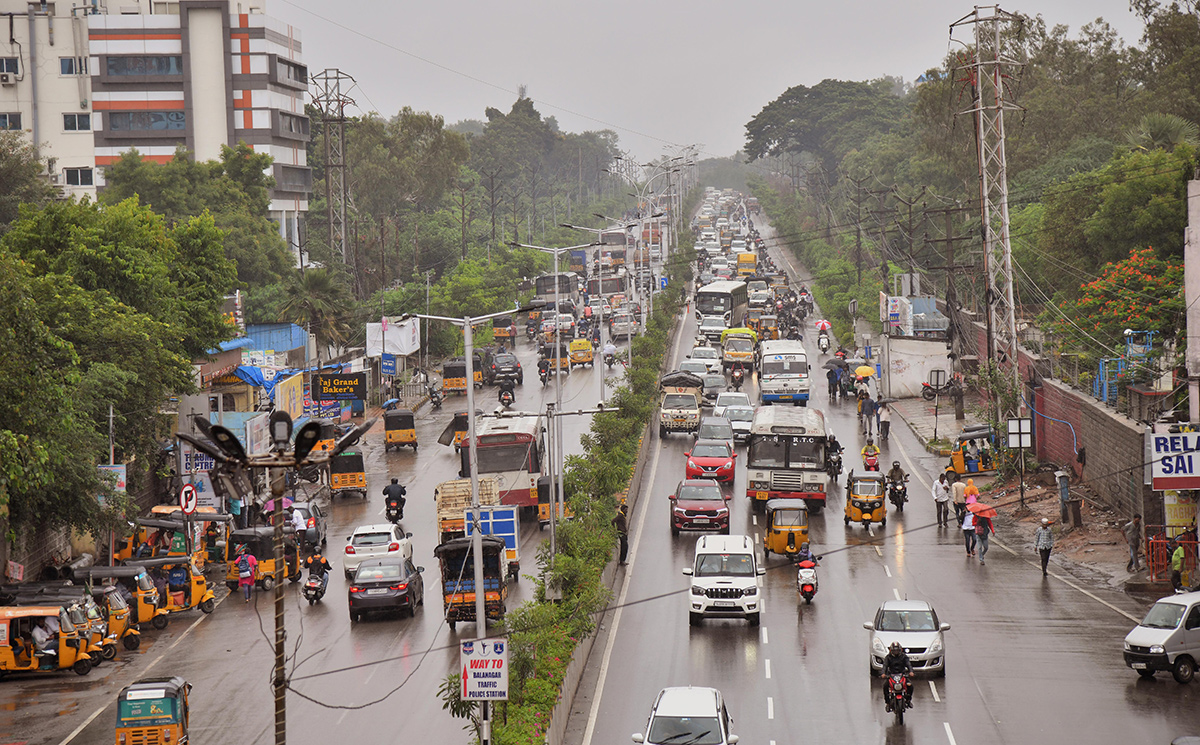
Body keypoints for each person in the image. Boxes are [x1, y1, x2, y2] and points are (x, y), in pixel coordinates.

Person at [880, 642, 914, 711]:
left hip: (902, 675)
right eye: (894, 651)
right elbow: (885, 666)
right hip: (891, 675)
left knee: (910, 686)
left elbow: (908, 664)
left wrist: (911, 672)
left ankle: (908, 700)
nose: (896, 652)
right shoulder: (888, 657)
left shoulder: (904, 656)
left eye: (897, 651)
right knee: (885, 686)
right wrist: (883, 673)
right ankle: (888, 703)